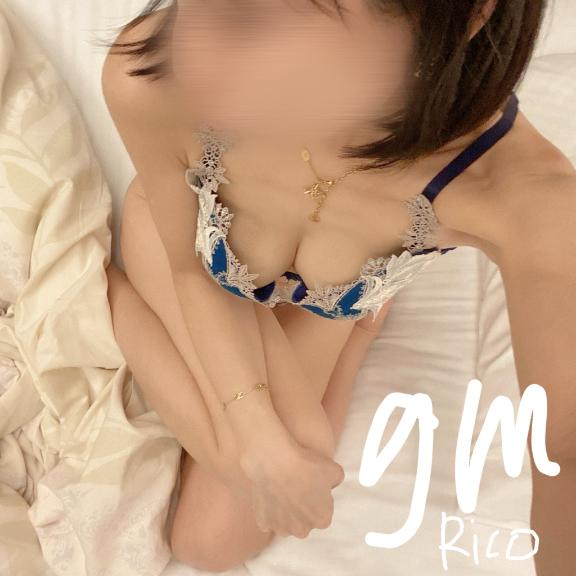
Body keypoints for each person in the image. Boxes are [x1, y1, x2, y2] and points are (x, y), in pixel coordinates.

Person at [102, 1, 576, 573]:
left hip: (309, 301)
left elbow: (566, 452)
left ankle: (356, 327)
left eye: (250, 19)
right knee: (287, 450)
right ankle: (95, 288)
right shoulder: (149, 74)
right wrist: (253, 432)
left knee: (210, 542)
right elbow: (187, 266)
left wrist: (262, 444)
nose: (192, 59)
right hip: (178, 241)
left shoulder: (518, 196)